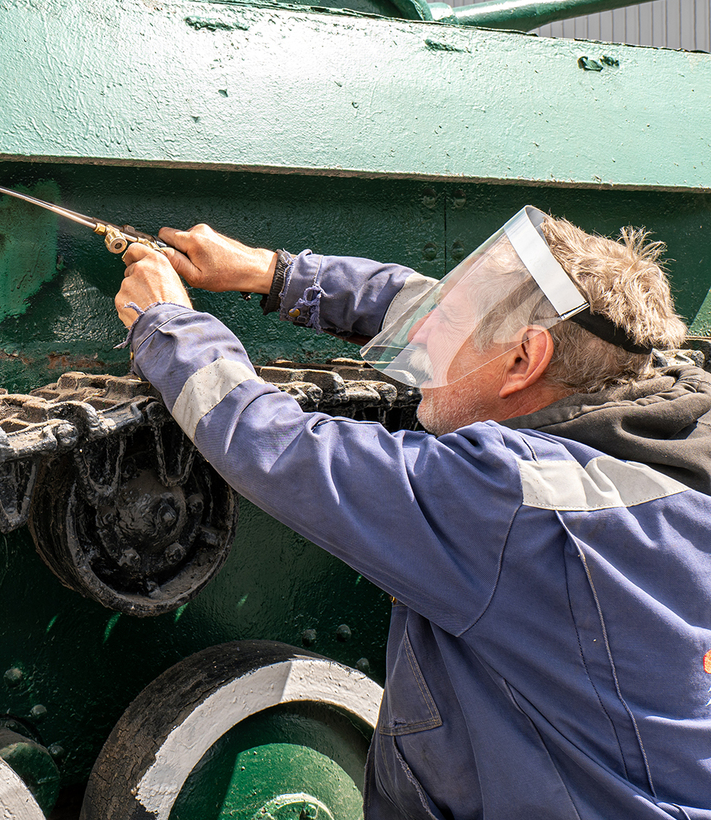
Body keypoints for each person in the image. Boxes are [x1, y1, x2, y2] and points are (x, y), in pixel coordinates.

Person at [113, 207, 711, 819]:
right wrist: (273, 273)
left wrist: (169, 325)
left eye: (446, 320)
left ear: (524, 361)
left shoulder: (514, 503)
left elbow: (280, 449)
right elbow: (440, 308)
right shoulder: (665, 402)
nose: (421, 333)